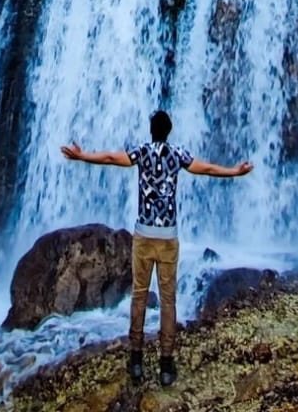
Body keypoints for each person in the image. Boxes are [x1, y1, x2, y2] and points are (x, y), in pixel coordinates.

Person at [61, 110, 253, 387]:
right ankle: (166, 363)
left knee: (139, 297)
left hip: (143, 237)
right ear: (169, 130)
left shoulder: (142, 152)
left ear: (151, 130)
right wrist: (235, 171)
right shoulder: (177, 155)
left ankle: (136, 359)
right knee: (168, 300)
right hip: (168, 239)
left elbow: (111, 158)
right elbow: (209, 169)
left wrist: (82, 156)